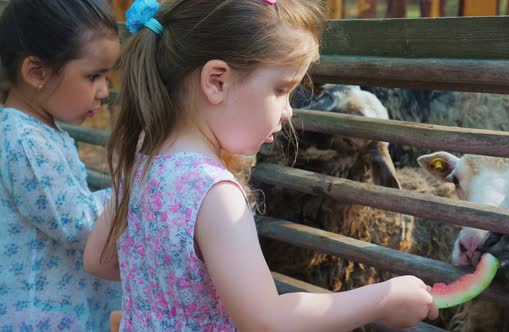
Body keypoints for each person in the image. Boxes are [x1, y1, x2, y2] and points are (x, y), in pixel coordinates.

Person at [84, 0, 438, 330]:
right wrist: (381, 299)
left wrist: (167, 285)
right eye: (281, 89)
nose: (289, 111)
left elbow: (98, 260)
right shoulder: (215, 193)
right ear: (216, 82)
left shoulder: (143, 166)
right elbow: (266, 321)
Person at [0, 0, 121, 330]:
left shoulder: (40, 130)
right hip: (40, 312)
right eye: (94, 76)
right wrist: (129, 189)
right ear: (36, 72)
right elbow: (77, 223)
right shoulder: (24, 140)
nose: (104, 92)